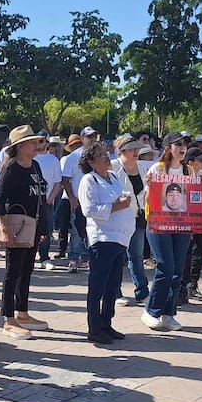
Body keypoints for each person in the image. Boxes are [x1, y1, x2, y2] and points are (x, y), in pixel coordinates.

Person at [0, 127, 50, 338]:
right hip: (16, 225)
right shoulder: (11, 168)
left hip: (33, 225)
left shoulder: (35, 166)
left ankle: (23, 312)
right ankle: (8, 318)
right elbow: (0, 197)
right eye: (31, 142)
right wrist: (4, 225)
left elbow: (40, 198)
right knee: (13, 271)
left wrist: (43, 227)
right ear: (19, 146)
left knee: (26, 270)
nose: (36, 146)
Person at [77, 143, 134, 345]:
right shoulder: (89, 180)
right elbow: (89, 209)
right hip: (102, 238)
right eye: (100, 155)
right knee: (98, 285)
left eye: (105, 153)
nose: (106, 157)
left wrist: (123, 202)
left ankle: (106, 323)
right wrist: (117, 206)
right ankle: (94, 328)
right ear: (91, 162)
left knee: (113, 284)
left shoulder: (113, 177)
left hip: (120, 238)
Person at [142, 133, 194, 332]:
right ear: (168, 147)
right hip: (159, 224)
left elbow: (193, 199)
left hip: (182, 225)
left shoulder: (189, 171)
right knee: (165, 266)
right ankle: (152, 311)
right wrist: (150, 187)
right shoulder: (157, 169)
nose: (182, 148)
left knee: (177, 270)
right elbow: (148, 200)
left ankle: (168, 313)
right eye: (178, 144)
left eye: (185, 144)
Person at [111, 135, 150, 305]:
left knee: (137, 255)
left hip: (139, 217)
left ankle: (142, 291)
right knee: (118, 255)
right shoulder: (112, 167)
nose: (136, 152)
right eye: (131, 149)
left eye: (137, 148)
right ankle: (115, 292)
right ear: (121, 151)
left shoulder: (142, 167)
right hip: (119, 218)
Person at [61, 127, 100, 272]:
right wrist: (71, 198)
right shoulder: (74, 156)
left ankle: (88, 257)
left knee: (93, 229)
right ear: (82, 138)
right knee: (77, 230)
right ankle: (74, 257)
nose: (92, 139)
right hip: (78, 199)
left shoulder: (100, 155)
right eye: (89, 136)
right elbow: (65, 179)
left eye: (94, 136)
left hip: (96, 199)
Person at [178, 146, 202, 304]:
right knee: (185, 254)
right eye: (200, 160)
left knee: (199, 254)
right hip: (186, 220)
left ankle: (193, 285)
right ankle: (182, 287)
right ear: (190, 162)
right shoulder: (181, 176)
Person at [35, 133, 64, 269]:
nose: (39, 143)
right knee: (29, 229)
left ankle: (44, 257)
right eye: (37, 141)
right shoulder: (31, 157)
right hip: (31, 200)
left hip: (46, 201)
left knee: (45, 230)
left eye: (42, 141)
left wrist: (51, 198)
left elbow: (58, 182)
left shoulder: (53, 160)